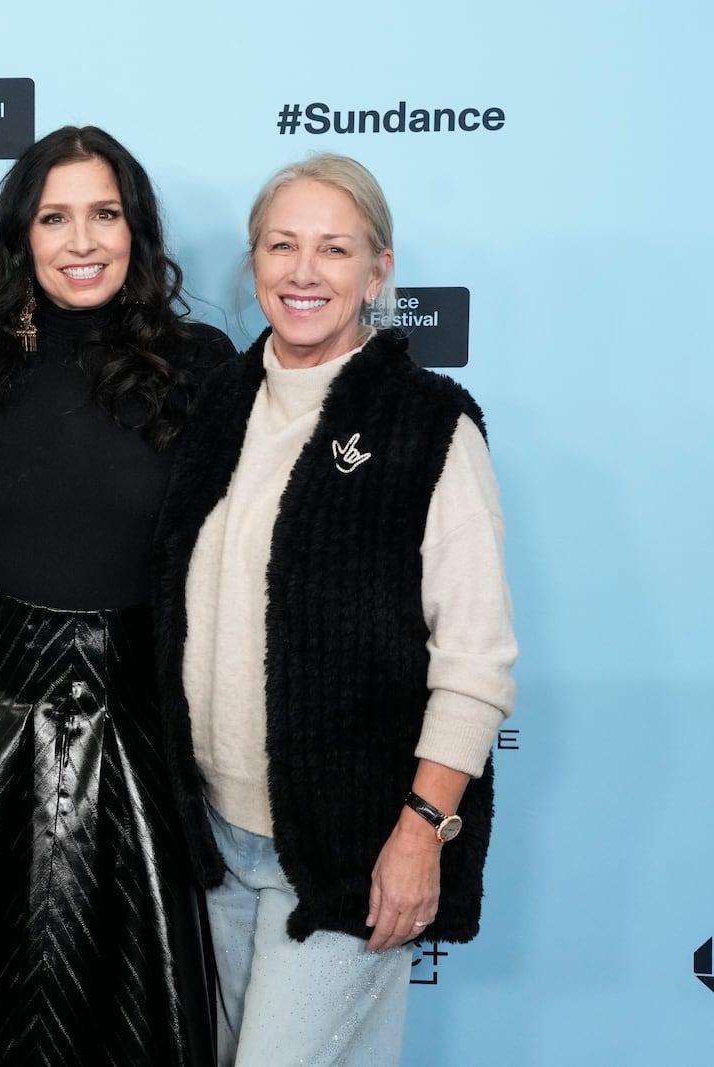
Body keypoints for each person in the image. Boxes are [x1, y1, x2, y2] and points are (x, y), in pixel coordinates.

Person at [152, 153, 517, 1065]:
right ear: (254, 263)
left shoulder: (428, 424)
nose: (304, 272)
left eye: (334, 249)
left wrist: (421, 833)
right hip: (214, 842)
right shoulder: (221, 402)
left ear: (377, 272)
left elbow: (475, 660)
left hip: (350, 848)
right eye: (282, 246)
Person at [0, 126, 232, 1066]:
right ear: (23, 236)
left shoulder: (202, 364)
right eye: (55, 217)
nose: (82, 241)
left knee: (124, 1012)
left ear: (138, 229)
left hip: (139, 722)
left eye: (104, 214)